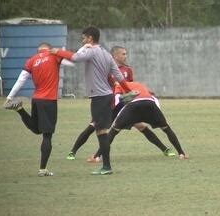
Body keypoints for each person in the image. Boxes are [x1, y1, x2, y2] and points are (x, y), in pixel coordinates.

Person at [66, 46, 175, 163]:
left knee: (141, 126)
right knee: (94, 126)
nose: (125, 56)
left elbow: (130, 86)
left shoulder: (128, 70)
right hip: (109, 103)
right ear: (115, 56)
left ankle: (164, 149)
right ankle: (73, 151)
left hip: (125, 103)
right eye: (123, 54)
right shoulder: (106, 68)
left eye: (126, 53)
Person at [52, 26, 137, 175]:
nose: (83, 41)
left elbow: (75, 58)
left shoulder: (92, 51)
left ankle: (106, 167)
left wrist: (56, 51)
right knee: (100, 130)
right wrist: (128, 91)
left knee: (101, 131)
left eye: (84, 38)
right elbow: (118, 76)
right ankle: (105, 166)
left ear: (90, 38)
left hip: (99, 97)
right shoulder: (105, 53)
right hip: (106, 96)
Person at [3, 42, 74, 177]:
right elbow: (72, 60)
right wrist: (59, 51)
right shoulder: (54, 56)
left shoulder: (31, 60)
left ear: (38, 51)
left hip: (36, 99)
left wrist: (10, 96)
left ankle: (19, 109)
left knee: (36, 129)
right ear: (49, 48)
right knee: (47, 135)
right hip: (49, 100)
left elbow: (21, 79)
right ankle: (43, 169)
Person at [98, 81, 189, 160]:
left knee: (114, 131)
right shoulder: (138, 84)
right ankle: (181, 154)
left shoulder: (118, 85)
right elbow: (152, 96)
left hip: (134, 106)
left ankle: (97, 156)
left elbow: (118, 100)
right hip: (150, 104)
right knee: (166, 128)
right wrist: (158, 113)